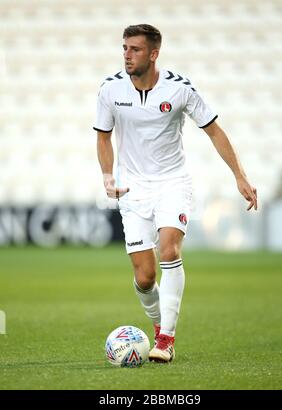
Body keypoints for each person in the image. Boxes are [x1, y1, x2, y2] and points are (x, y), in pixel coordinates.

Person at [94, 24, 257, 363]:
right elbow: (103, 137)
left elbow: (214, 131)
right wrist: (108, 177)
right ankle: (157, 326)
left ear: (153, 53)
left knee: (169, 249)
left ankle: (166, 339)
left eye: (135, 49)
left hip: (172, 183)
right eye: (124, 47)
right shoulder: (110, 89)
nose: (126, 54)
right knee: (144, 277)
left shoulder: (180, 89)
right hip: (132, 189)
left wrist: (240, 176)